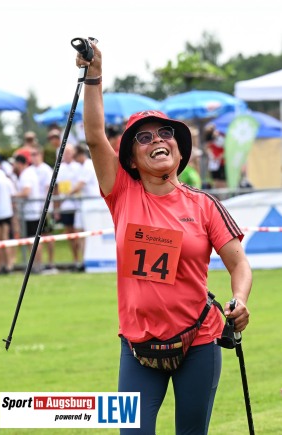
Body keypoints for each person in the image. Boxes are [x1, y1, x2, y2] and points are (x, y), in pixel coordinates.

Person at [76, 41, 252, 435]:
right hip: (138, 348)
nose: (157, 139)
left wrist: (239, 300)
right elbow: (93, 136)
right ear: (131, 159)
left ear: (178, 147)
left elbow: (239, 263)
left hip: (199, 343)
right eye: (143, 137)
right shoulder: (120, 193)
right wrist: (94, 74)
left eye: (165, 133)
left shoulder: (204, 205)